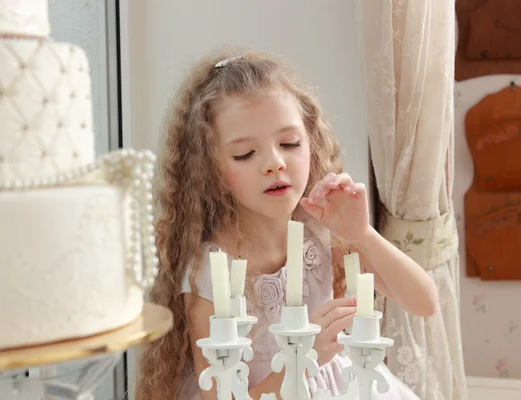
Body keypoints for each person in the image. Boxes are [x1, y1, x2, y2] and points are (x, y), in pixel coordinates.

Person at [136, 49, 438, 400]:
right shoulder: (209, 270)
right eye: (245, 154)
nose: (274, 163)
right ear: (211, 171)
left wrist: (362, 234)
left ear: (311, 142)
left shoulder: (324, 229)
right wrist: (305, 358)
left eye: (290, 143)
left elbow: (424, 303)